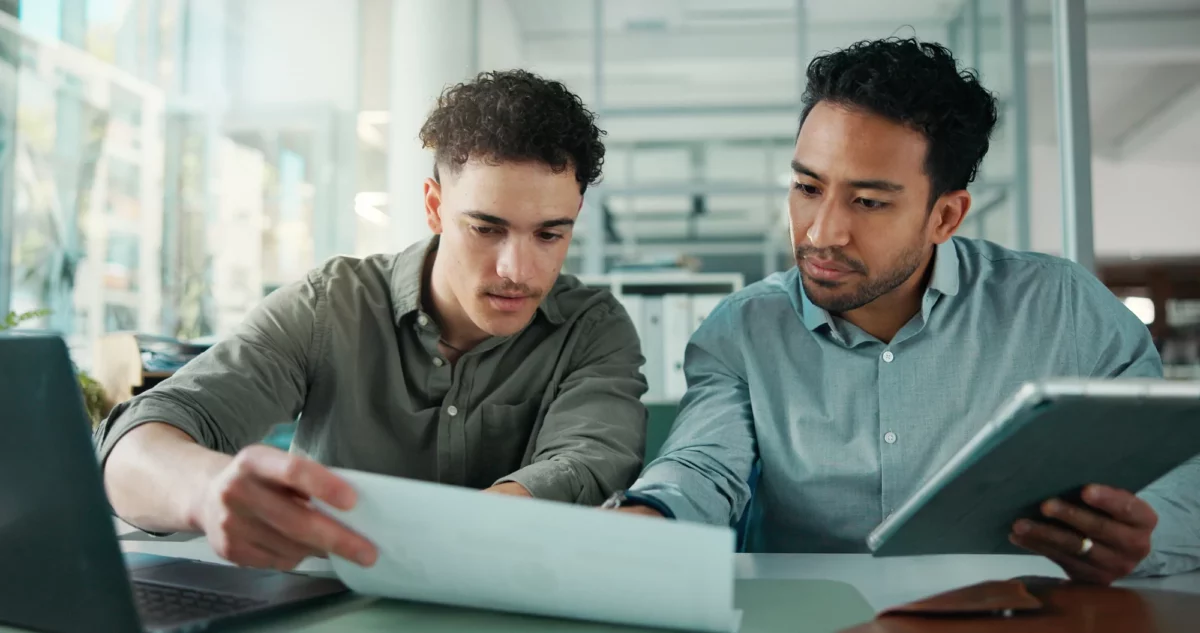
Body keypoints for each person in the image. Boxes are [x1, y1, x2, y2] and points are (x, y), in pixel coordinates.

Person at [606, 38, 1200, 584]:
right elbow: (703, 467)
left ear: (945, 217)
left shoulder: (1060, 306)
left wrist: (1147, 533)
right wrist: (646, 518)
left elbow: (1182, 472)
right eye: (808, 188)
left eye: (867, 201)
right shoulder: (741, 329)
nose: (821, 232)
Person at [96, 70, 648, 571]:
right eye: (485, 228)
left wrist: (430, 536)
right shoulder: (329, 304)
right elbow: (140, 437)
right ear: (434, 207)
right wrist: (205, 490)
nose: (517, 270)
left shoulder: (593, 328)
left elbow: (590, 461)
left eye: (549, 234)